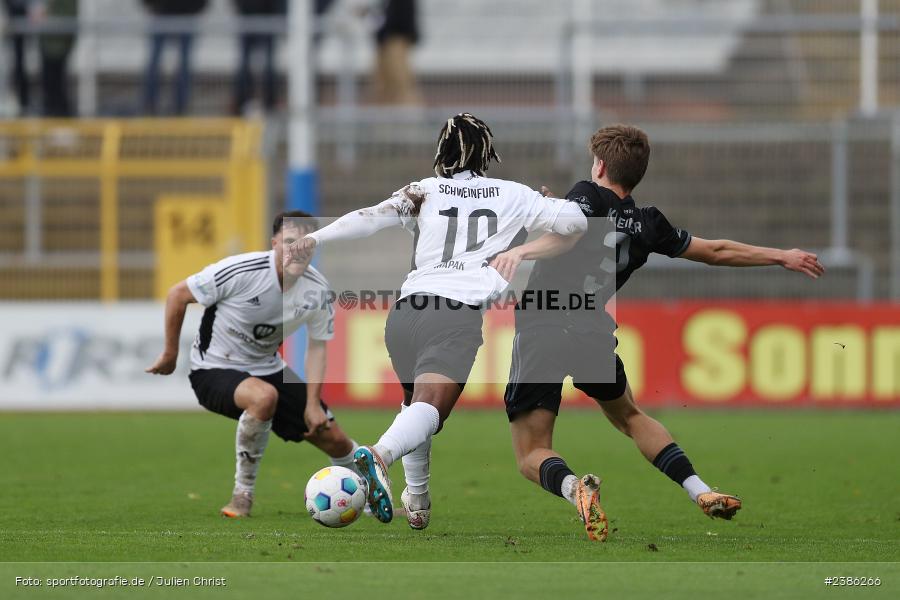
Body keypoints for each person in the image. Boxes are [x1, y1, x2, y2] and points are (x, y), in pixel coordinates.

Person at [488, 124, 825, 541]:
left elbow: (570, 235)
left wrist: (524, 248)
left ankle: (575, 488)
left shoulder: (587, 195)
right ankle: (699, 489)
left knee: (531, 452)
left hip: (544, 325)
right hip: (592, 330)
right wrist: (781, 255)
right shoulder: (648, 224)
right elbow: (715, 252)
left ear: (600, 164)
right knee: (630, 416)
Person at [285, 113, 588, 528]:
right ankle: (377, 456)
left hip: (406, 312)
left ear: (442, 153)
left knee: (415, 405)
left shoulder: (424, 190)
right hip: (453, 315)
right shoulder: (514, 194)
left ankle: (419, 500)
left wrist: (315, 237)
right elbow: (576, 222)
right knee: (429, 409)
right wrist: (544, 216)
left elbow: (370, 217)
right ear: (486, 153)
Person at [146, 211, 363, 518]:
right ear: (274, 243)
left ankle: (369, 499)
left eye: (306, 243)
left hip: (267, 367)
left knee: (333, 437)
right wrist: (170, 354)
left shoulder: (318, 290)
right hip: (212, 368)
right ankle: (242, 494)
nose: (297, 249)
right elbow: (178, 294)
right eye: (289, 242)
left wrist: (313, 404)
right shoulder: (240, 271)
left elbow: (316, 348)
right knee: (263, 397)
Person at [141, 0, 207, 115]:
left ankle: (179, 108)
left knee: (183, 65)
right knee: (156, 63)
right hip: (163, 14)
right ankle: (150, 106)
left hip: (185, 15)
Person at [231, 0, 285, 116]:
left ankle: (269, 102)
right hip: (249, 16)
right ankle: (244, 100)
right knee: (246, 62)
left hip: (267, 17)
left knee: (268, 63)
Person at [371, 0, 421, 105]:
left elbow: (401, 18)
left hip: (396, 41)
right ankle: (386, 117)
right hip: (385, 42)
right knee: (384, 85)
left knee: (401, 82)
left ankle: (410, 115)